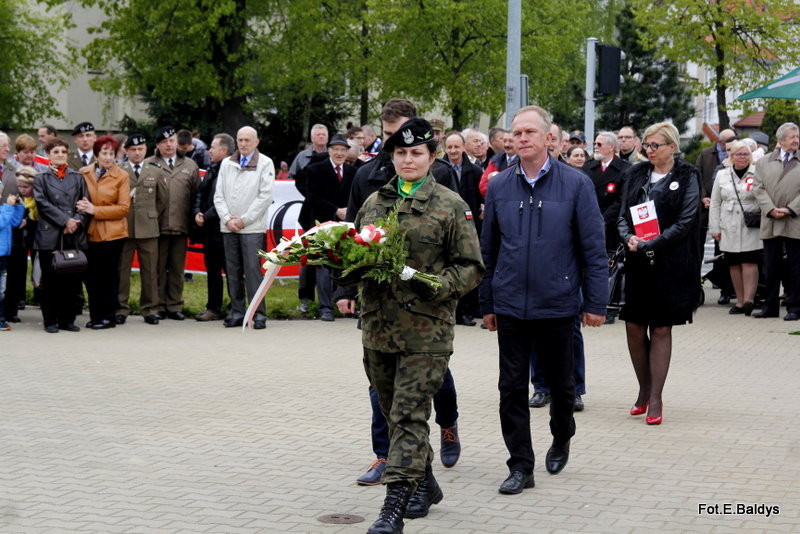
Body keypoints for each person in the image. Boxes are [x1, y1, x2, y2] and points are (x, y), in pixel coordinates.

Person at [338, 118, 483, 534]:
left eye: (416, 153)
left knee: (408, 415)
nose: (407, 159)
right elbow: (354, 259)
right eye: (400, 153)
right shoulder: (374, 203)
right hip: (378, 329)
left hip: (427, 331)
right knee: (392, 413)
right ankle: (427, 483)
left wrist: (439, 286)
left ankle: (392, 509)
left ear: (431, 157)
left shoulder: (451, 205)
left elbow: (471, 268)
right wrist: (339, 271)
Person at [480, 106, 607, 495]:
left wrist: (596, 303)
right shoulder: (499, 185)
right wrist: (487, 302)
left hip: (558, 301)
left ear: (548, 138)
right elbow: (490, 248)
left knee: (562, 386)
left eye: (529, 132)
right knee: (511, 388)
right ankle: (520, 465)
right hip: (511, 303)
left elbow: (593, 247)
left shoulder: (576, 184)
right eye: (515, 133)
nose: (521, 139)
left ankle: (562, 432)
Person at [617, 122, 701, 425]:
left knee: (662, 327)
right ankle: (643, 388)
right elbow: (622, 215)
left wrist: (655, 242)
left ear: (672, 146)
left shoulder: (687, 175)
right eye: (647, 145)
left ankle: (656, 398)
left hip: (671, 261)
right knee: (635, 326)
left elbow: (687, 219)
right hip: (638, 260)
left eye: (656, 145)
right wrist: (629, 237)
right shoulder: (636, 173)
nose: (649, 151)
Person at [214, 126, 275, 330]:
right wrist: (227, 219)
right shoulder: (226, 164)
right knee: (232, 272)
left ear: (256, 142)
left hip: (252, 228)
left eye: (247, 140)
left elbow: (265, 197)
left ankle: (258, 314)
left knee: (253, 272)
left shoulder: (266, 163)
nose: (243, 143)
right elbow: (218, 195)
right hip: (228, 227)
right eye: (240, 140)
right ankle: (238, 312)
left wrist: (244, 220)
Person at [34, 138, 90, 333]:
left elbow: (84, 203)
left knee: (72, 282)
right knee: (50, 282)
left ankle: (68, 320)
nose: (59, 155)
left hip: (73, 235)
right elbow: (42, 204)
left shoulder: (77, 177)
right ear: (48, 154)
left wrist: (76, 221)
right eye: (55, 151)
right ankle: (50, 320)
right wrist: (64, 221)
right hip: (50, 236)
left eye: (63, 152)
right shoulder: (41, 178)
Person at [78, 136, 130, 330]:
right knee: (91, 276)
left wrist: (95, 210)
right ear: (96, 155)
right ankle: (95, 315)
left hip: (113, 234)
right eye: (104, 153)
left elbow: (124, 208)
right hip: (90, 233)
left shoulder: (122, 176)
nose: (108, 158)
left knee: (108, 277)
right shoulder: (84, 172)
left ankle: (108, 317)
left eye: (111, 154)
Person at [752, 122, 800, 321]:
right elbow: (758, 187)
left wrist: (790, 209)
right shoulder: (764, 162)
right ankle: (770, 306)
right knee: (771, 265)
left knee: (796, 267)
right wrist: (770, 209)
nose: (796, 141)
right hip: (771, 219)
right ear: (780, 141)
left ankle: (795, 307)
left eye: (798, 137)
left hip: (795, 219)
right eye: (792, 137)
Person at [305, 134, 355, 322]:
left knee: (345, 264)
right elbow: (312, 197)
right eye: (336, 150)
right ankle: (325, 307)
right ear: (330, 151)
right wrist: (335, 210)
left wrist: (347, 212)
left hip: (346, 224)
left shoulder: (352, 171)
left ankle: (345, 302)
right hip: (323, 223)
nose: (340, 153)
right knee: (324, 266)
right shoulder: (315, 169)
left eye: (343, 150)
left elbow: (355, 196)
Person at [709, 141, 762, 316]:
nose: (742, 157)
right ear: (731, 157)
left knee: (749, 260)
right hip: (728, 223)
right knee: (733, 263)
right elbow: (715, 203)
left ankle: (749, 300)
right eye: (738, 154)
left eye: (745, 154)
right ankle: (739, 301)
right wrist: (714, 227)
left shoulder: (758, 173)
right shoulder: (722, 175)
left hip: (750, 223)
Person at [153, 126, 200, 321]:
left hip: (181, 225)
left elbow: (197, 196)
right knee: (158, 268)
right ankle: (158, 305)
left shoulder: (190, 166)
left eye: (171, 140)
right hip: (157, 226)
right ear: (158, 145)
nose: (169, 145)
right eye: (164, 142)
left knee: (177, 268)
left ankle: (174, 305)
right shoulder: (150, 164)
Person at [116, 134, 161, 325]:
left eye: (140, 149)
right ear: (126, 151)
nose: (137, 152)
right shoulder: (119, 170)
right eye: (133, 149)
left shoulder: (155, 171)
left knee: (150, 270)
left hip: (148, 227)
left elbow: (162, 200)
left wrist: (151, 215)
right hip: (124, 227)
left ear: (146, 150)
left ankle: (150, 309)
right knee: (122, 270)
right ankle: (120, 308)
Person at [443, 131, 483, 326]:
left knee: (466, 267)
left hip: (468, 226)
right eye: (449, 147)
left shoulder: (474, 172)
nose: (452, 151)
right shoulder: (438, 169)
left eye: (456, 147)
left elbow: (481, 197)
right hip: (444, 226)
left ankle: (466, 311)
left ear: (463, 148)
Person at [193, 133, 234, 322]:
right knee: (213, 270)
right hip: (209, 229)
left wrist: (206, 216)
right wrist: (197, 213)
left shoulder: (232, 169)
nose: (209, 150)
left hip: (225, 229)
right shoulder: (212, 167)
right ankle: (213, 308)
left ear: (224, 151)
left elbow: (225, 199)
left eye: (213, 147)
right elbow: (200, 193)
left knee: (231, 271)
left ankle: (236, 307)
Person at [290, 123, 329, 314]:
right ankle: (305, 298)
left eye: (324, 134)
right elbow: (295, 178)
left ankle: (333, 299)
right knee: (308, 256)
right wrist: (309, 195)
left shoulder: (334, 156)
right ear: (312, 138)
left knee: (331, 255)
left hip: (329, 212)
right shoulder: (302, 157)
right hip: (309, 212)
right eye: (318, 135)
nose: (321, 137)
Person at [696, 128, 737, 305]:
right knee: (699, 248)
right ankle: (696, 286)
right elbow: (697, 176)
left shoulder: (738, 153)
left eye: (732, 140)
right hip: (705, 208)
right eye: (725, 141)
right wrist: (703, 197)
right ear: (719, 141)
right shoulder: (706, 154)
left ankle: (726, 289)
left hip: (727, 209)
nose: (727, 144)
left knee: (723, 251)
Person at [3, 167, 38, 323]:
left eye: (26, 187)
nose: (22, 190)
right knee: (11, 277)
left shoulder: (39, 198)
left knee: (21, 275)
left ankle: (13, 308)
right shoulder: (14, 199)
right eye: (20, 187)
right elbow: (12, 222)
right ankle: (9, 310)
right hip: (15, 243)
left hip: (34, 240)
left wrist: (28, 221)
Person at [0, 193, 24, 331]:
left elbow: (14, 222)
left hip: (3, 256)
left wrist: (19, 205)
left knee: (2, 290)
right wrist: (9, 206)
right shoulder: (5, 209)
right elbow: (1, 222)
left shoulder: (3, 208)